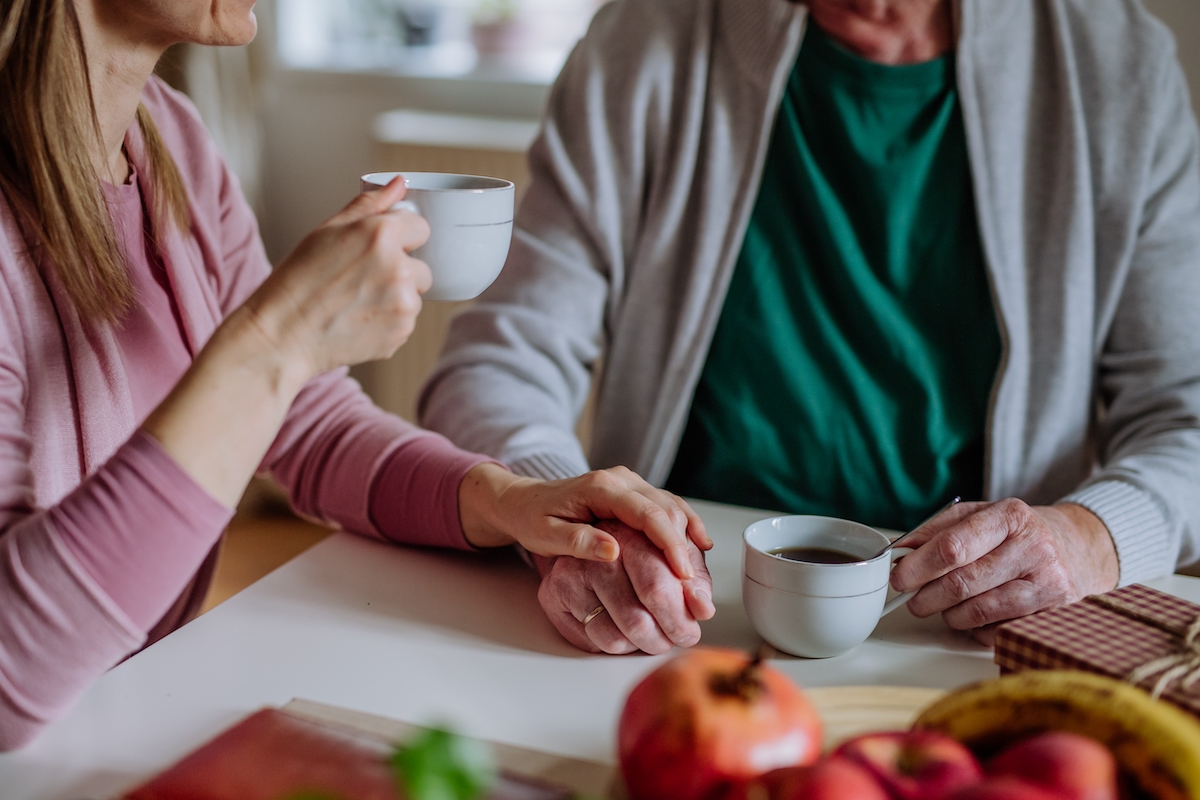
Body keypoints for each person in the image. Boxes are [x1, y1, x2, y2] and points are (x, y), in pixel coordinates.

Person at [0, 0, 716, 750]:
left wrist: (508, 499)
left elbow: (308, 424)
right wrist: (277, 340)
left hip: (120, 720)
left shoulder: (168, 136)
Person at [420, 0, 1200, 651]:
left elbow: (1185, 415)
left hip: (974, 638)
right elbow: (495, 363)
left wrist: (1092, 537)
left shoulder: (1119, 68)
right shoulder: (644, 39)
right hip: (682, 615)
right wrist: (571, 520)